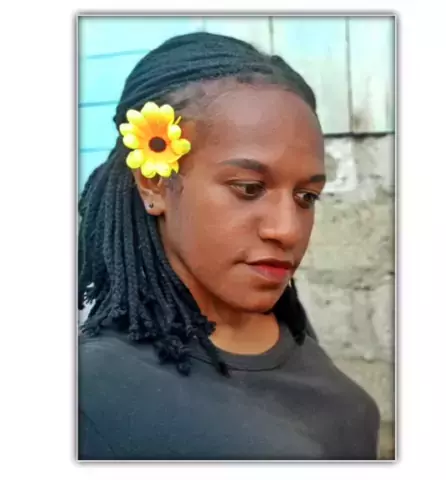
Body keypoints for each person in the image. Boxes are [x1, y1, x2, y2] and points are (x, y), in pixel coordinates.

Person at [78, 31, 380, 461]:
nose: (287, 230)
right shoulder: (91, 392)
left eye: (306, 196)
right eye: (249, 188)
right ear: (154, 183)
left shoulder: (289, 335)